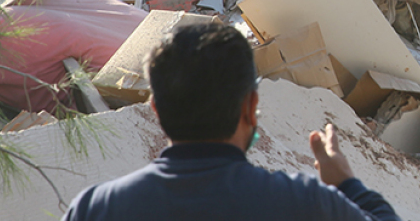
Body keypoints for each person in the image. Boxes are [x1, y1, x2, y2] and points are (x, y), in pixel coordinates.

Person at [62, 24, 400, 221]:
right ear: (251, 107)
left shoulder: (97, 209)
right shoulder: (304, 203)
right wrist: (346, 184)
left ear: (156, 110)